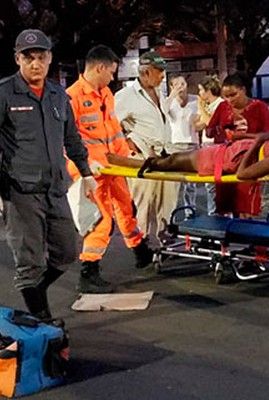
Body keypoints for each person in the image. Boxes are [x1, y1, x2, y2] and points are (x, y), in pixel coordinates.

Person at [0, 29, 97, 321]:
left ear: (50, 58)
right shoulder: (4, 93)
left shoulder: (57, 95)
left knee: (67, 251)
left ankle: (35, 296)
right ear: (18, 59)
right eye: (28, 58)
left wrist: (87, 173)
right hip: (21, 192)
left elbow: (72, 138)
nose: (35, 63)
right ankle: (43, 322)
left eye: (41, 57)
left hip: (55, 188)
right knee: (29, 262)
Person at [67, 45, 154, 293]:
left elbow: (114, 132)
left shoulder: (105, 94)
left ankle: (140, 251)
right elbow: (65, 142)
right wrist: (81, 172)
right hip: (92, 173)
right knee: (101, 220)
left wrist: (129, 161)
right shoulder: (71, 98)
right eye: (112, 72)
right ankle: (89, 270)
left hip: (113, 167)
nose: (113, 78)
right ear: (100, 67)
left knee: (127, 207)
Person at [114, 50, 180, 241]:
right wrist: (127, 141)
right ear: (145, 73)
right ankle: (140, 245)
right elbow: (110, 125)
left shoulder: (159, 92)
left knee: (167, 204)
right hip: (142, 159)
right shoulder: (126, 95)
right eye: (158, 71)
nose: (162, 75)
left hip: (165, 157)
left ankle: (163, 243)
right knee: (144, 205)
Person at [106, 131, 269, 181]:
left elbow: (244, 174)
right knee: (172, 159)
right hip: (223, 150)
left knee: (170, 162)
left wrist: (255, 143)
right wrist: (244, 136)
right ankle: (135, 162)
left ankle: (131, 163)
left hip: (217, 160)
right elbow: (262, 138)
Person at [220, 73, 269, 216]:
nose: (230, 100)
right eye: (226, 96)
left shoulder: (259, 107)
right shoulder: (223, 108)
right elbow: (210, 130)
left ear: (243, 90)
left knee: (246, 206)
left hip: (250, 161)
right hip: (227, 160)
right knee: (227, 205)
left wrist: (243, 136)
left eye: (233, 95)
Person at [195, 76, 234, 215]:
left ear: (208, 90)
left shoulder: (220, 104)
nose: (199, 93)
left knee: (218, 183)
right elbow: (198, 125)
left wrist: (201, 108)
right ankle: (213, 213)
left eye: (201, 90)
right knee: (209, 184)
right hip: (206, 145)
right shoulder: (208, 106)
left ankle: (221, 214)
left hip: (218, 146)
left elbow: (210, 123)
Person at [166, 75, 199, 218]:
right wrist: (172, 95)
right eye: (177, 84)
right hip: (175, 145)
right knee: (174, 184)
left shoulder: (195, 100)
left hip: (192, 143)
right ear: (171, 86)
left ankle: (189, 211)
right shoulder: (168, 101)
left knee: (191, 183)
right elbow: (162, 111)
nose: (181, 86)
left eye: (183, 83)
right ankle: (170, 213)